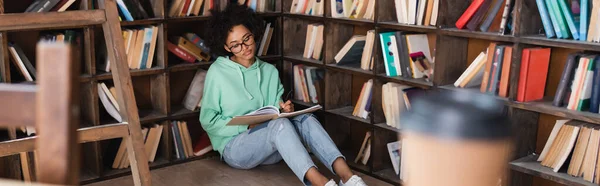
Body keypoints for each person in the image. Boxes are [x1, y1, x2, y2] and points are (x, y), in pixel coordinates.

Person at [199, 4, 368, 186]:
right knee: (278, 125)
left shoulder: (269, 71)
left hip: (272, 146)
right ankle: (320, 183)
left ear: (253, 33)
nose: (244, 47)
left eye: (247, 38)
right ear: (226, 47)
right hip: (235, 149)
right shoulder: (217, 72)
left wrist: (285, 110)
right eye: (235, 45)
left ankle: (348, 178)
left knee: (306, 119)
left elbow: (275, 113)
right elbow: (208, 121)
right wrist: (247, 127)